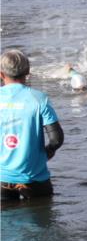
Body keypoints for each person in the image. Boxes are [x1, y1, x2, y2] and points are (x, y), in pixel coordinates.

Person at [1, 50, 64, 201]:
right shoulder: (39, 99)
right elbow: (56, 138)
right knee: (41, 221)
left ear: (1, 74)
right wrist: (49, 151)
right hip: (34, 180)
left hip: (1, 179)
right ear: (28, 71)